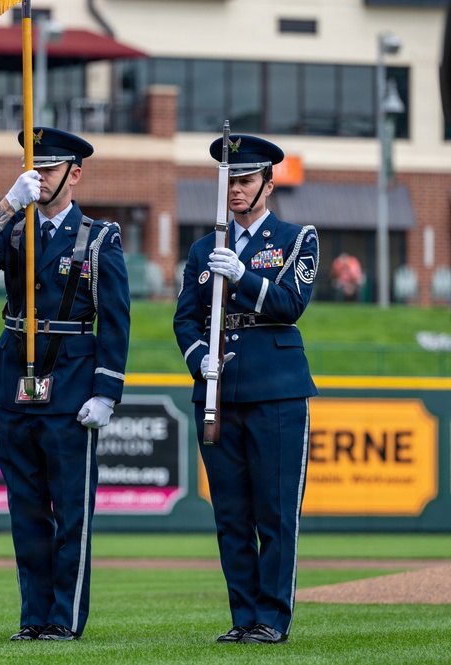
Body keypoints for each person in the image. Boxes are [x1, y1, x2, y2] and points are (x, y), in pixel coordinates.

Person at [0, 128, 130, 641]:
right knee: (26, 511)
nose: (40, 177)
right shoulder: (13, 228)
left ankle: (65, 618)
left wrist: (106, 391)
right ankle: (33, 617)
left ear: (74, 174)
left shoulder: (99, 238)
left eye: (49, 169)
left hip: (72, 385)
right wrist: (8, 203)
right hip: (15, 383)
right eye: (34, 168)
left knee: (71, 512)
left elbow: (115, 319)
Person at [173, 134, 319, 645]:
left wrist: (243, 278)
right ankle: (243, 617)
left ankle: (272, 620)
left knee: (275, 512)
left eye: (245, 180)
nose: (235, 190)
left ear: (267, 184)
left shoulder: (298, 238)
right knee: (231, 514)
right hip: (218, 390)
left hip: (276, 390)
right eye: (229, 181)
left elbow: (290, 305)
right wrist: (199, 361)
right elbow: (185, 319)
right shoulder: (201, 248)